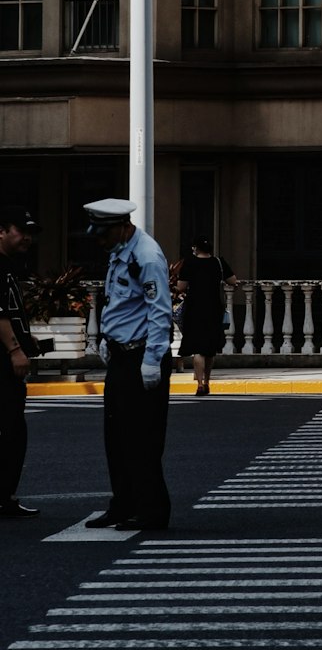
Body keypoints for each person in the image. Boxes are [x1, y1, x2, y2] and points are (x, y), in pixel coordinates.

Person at [83, 198, 174, 531]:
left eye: (103, 234)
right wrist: (108, 341)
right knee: (117, 436)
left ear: (121, 227)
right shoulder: (120, 251)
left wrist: (151, 361)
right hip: (122, 354)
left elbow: (160, 311)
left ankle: (151, 510)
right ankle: (122, 504)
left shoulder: (146, 256)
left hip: (141, 357)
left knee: (142, 438)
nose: (99, 240)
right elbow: (120, 304)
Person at [0, 208, 39, 519]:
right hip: (2, 364)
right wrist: (15, 350)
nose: (27, 236)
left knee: (13, 429)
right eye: (21, 230)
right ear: (1, 230)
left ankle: (6, 496)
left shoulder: (9, 265)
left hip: (8, 359)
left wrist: (28, 340)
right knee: (10, 430)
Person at [177, 237, 239, 397]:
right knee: (210, 348)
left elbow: (181, 286)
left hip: (194, 308)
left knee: (198, 349)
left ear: (196, 249)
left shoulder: (189, 263)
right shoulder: (218, 262)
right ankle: (207, 381)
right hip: (213, 307)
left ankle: (199, 384)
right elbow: (233, 280)